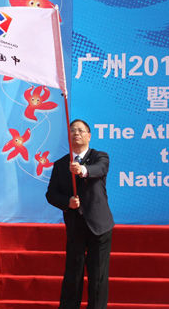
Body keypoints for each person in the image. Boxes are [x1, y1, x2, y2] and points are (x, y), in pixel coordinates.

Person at [46, 119, 114, 309]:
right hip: (75, 225)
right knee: (73, 274)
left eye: (81, 130)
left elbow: (99, 170)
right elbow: (51, 194)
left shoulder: (100, 157)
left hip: (99, 225)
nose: (76, 133)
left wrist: (82, 170)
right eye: (73, 131)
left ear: (89, 136)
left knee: (97, 275)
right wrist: (67, 202)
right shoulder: (61, 164)